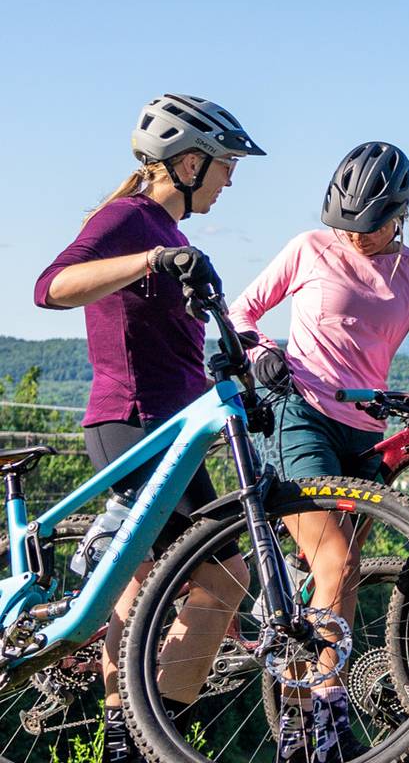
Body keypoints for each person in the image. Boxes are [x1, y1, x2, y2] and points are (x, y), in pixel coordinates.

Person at [32, 94, 264, 763]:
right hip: (133, 420)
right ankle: (144, 736)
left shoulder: (174, 237)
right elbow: (51, 287)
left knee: (148, 581)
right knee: (219, 576)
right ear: (189, 163)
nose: (230, 180)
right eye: (225, 165)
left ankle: (135, 737)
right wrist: (149, 261)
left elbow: (183, 349)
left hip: (171, 428)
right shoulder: (129, 219)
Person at [229, 141, 409, 763]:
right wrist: (260, 351)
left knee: (341, 574)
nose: (354, 237)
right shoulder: (309, 248)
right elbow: (241, 311)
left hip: (367, 433)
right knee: (336, 561)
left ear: (399, 215)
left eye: (370, 226)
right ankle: (319, 717)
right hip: (299, 414)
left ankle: (313, 717)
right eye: (344, 224)